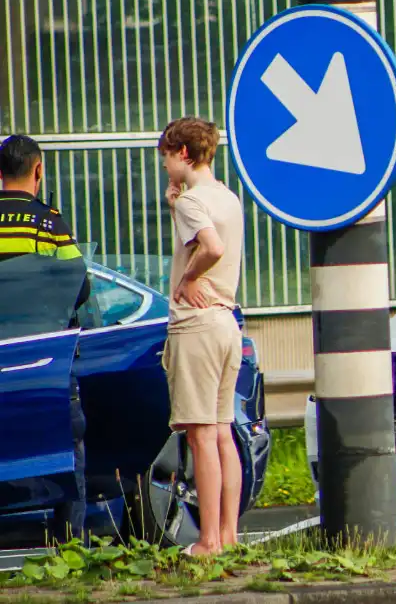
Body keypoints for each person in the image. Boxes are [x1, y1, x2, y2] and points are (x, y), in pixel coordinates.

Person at [158, 117, 246, 554]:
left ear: (184, 154)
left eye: (167, 158)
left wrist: (188, 279)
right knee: (224, 432)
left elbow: (211, 247)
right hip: (227, 323)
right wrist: (177, 205)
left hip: (196, 326)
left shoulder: (193, 202)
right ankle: (228, 536)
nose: (165, 167)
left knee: (201, 435)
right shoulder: (226, 198)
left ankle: (208, 541)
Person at [0, 134, 90, 542]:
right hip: (40, 358)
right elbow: (81, 285)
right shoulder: (47, 220)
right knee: (66, 444)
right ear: (38, 171)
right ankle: (69, 542)